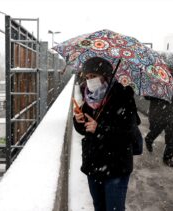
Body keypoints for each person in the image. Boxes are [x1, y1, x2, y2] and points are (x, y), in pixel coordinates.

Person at [73, 57, 141, 211]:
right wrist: (78, 120)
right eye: (87, 77)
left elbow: (128, 133)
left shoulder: (123, 96)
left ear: (105, 76)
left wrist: (100, 128)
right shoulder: (89, 98)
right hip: (93, 164)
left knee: (114, 208)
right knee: (99, 207)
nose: (90, 81)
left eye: (94, 76)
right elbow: (84, 129)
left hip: (116, 166)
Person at [144, 71, 173, 167]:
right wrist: (156, 90)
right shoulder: (154, 76)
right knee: (156, 130)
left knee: (172, 136)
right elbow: (147, 96)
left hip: (171, 113)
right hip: (158, 112)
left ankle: (168, 158)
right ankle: (149, 139)